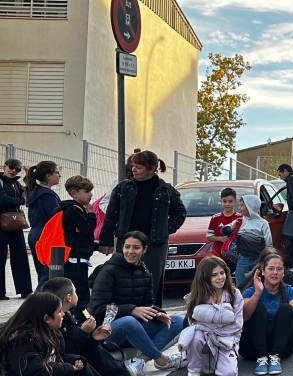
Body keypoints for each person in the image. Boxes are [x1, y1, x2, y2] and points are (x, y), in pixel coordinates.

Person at [87, 231, 186, 374]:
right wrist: (132, 309)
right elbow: (97, 309)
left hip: (135, 330)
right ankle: (162, 360)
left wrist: (157, 314)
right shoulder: (108, 271)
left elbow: (147, 305)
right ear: (122, 248)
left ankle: (140, 361)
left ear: (144, 250)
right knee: (128, 321)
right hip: (107, 331)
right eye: (127, 247)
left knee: (176, 320)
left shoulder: (145, 273)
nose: (130, 252)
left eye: (136, 248)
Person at [99, 150, 186, 308]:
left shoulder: (166, 189)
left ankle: (152, 314)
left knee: (151, 280)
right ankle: (124, 312)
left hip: (155, 242)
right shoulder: (123, 188)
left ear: (152, 168)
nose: (133, 170)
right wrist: (105, 240)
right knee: (122, 278)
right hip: (126, 239)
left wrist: (166, 229)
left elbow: (180, 213)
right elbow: (112, 214)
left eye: (138, 167)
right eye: (133, 166)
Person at [240, 253, 293, 375]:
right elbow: (245, 316)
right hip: (252, 348)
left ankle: (275, 357)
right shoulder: (252, 290)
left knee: (286, 308)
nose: (275, 272)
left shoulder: (290, 290)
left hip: (282, 347)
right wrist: (257, 294)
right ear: (263, 271)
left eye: (279, 269)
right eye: (271, 269)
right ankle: (262, 358)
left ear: (283, 273)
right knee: (258, 307)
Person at [41, 277, 129, 376]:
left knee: (98, 352)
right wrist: (83, 332)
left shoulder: (67, 315)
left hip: (84, 360)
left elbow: (80, 347)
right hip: (72, 366)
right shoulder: (54, 323)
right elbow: (65, 352)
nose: (62, 314)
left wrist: (93, 338)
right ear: (68, 297)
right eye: (75, 292)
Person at [0, 292, 101, 375]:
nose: (63, 314)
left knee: (83, 363)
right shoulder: (23, 340)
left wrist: (74, 360)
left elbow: (58, 357)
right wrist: (68, 369)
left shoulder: (53, 332)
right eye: (59, 312)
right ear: (47, 318)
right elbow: (35, 372)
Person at [182, 256, 244, 376]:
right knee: (195, 337)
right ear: (204, 277)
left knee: (229, 373)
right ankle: (194, 370)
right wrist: (221, 320)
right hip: (205, 337)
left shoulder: (234, 294)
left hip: (226, 340)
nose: (220, 277)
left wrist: (213, 329)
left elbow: (237, 325)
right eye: (214, 275)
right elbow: (194, 323)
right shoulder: (197, 296)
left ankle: (213, 359)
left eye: (222, 273)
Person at [55, 175, 97, 321]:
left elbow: (78, 236)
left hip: (75, 256)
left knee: (78, 290)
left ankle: (76, 318)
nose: (90, 194)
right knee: (81, 292)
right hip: (76, 258)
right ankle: (82, 320)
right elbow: (86, 230)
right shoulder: (74, 210)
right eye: (86, 191)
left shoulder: (73, 208)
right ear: (74, 193)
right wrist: (92, 215)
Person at [25, 160, 61, 291]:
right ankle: (37, 303)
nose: (59, 175)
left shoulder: (36, 192)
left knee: (43, 271)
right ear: (48, 175)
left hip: (35, 233)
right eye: (57, 172)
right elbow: (55, 216)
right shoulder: (47, 195)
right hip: (45, 234)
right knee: (47, 273)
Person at [0, 158, 32, 300]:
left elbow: (29, 194)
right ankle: (0, 292)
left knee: (20, 256)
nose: (14, 171)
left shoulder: (16, 184)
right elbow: (3, 199)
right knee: (0, 257)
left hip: (15, 224)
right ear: (4, 166)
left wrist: (29, 177)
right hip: (1, 224)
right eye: (11, 167)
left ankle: (25, 289)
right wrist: (22, 200)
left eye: (17, 169)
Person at [226, 195, 273, 286]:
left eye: (242, 205)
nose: (239, 208)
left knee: (259, 285)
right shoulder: (239, 221)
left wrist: (266, 260)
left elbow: (269, 244)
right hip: (243, 260)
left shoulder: (263, 223)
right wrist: (231, 228)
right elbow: (223, 230)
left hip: (258, 260)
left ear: (250, 206)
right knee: (240, 286)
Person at [207, 187, 241, 260]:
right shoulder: (215, 218)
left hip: (234, 256)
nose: (227, 204)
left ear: (235, 202)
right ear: (220, 201)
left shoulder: (240, 218)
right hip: (217, 255)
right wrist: (220, 238)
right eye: (224, 201)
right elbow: (208, 236)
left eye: (230, 201)